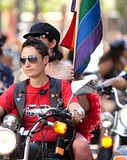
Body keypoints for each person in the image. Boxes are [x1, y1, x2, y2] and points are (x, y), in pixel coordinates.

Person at [0, 38, 85, 159]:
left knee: (81, 146)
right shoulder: (17, 89)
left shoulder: (61, 85)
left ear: (45, 59)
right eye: (23, 60)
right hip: (21, 144)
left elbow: (74, 104)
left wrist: (77, 111)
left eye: (32, 59)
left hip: (56, 145)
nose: (27, 64)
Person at [21, 22, 100, 159]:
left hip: (60, 127)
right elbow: (9, 101)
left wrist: (76, 88)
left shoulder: (69, 71)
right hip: (27, 126)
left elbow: (84, 109)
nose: (33, 42)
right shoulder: (23, 72)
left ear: (52, 43)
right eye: (30, 39)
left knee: (81, 146)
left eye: (39, 38)